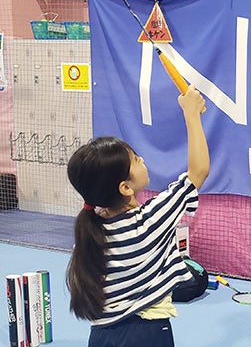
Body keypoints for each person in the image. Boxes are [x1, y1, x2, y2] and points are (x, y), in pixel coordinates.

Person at [66, 86, 209, 347]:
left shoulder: (90, 234)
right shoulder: (150, 221)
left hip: (101, 336)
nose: (142, 159)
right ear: (125, 187)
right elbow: (198, 172)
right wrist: (191, 114)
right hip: (146, 334)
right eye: (135, 160)